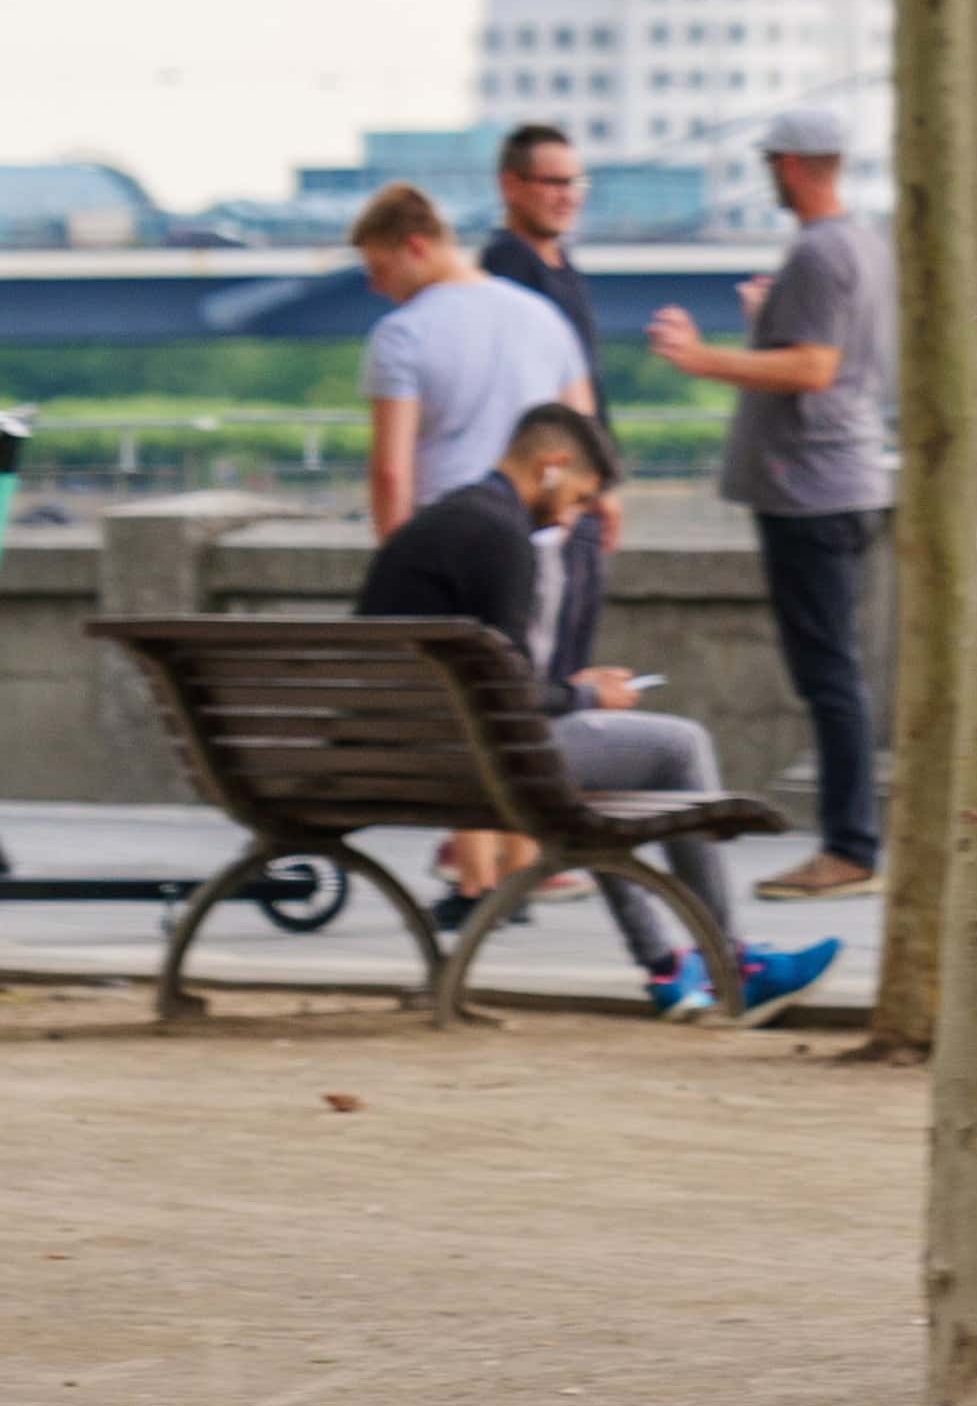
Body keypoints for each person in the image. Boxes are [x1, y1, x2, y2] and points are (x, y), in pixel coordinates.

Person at [356, 404, 835, 1019]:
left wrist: (570, 691)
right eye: (581, 497)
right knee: (676, 745)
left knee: (600, 753)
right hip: (462, 761)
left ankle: (666, 967)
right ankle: (730, 961)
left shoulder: (445, 520)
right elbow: (507, 694)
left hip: (399, 752)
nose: (577, 514)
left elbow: (497, 681)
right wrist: (588, 695)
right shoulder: (501, 537)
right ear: (550, 467)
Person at [644, 106, 893, 902]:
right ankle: (851, 842)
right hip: (833, 483)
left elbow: (815, 369)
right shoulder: (861, 245)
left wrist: (697, 358)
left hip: (809, 491)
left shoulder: (821, 251)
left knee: (830, 679)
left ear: (788, 164)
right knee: (833, 674)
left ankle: (851, 847)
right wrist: (765, 324)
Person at [354, 181, 594, 912]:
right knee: (511, 699)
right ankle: (519, 867)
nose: (375, 287)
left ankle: (482, 875)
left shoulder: (404, 335)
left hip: (447, 533)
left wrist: (401, 556)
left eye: (378, 268)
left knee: (463, 707)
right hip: (535, 534)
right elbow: (580, 431)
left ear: (416, 246)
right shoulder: (542, 316)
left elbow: (393, 469)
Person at [478, 124, 619, 705]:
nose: (568, 195)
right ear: (511, 185)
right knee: (551, 671)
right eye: (552, 182)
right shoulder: (509, 267)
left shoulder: (560, 264)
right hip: (551, 496)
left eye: (576, 182)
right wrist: (578, 491)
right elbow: (533, 400)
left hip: (575, 491)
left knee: (572, 658)